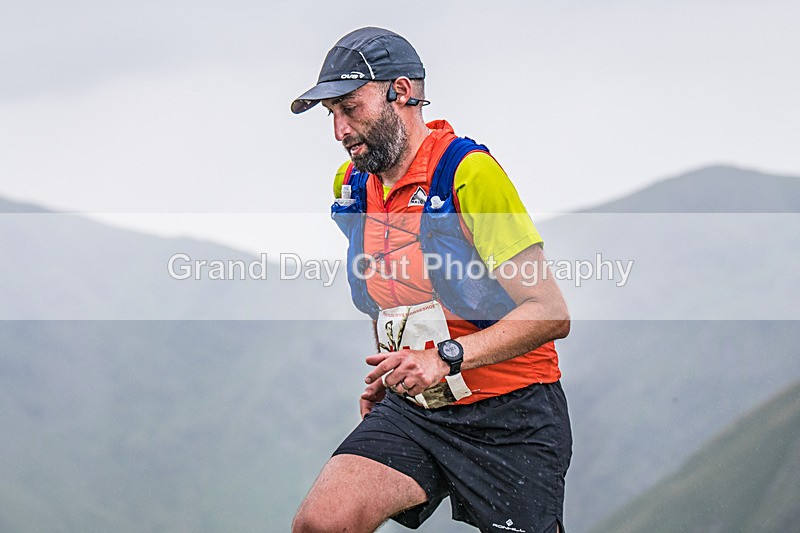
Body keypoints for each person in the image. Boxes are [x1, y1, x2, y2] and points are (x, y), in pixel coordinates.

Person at [290, 27, 572, 533]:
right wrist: (392, 368)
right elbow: (388, 294)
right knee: (322, 523)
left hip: (512, 417)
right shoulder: (353, 185)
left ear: (401, 92)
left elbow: (549, 312)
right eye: (331, 115)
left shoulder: (471, 175)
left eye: (350, 107)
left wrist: (441, 358)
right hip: (418, 409)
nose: (339, 131)